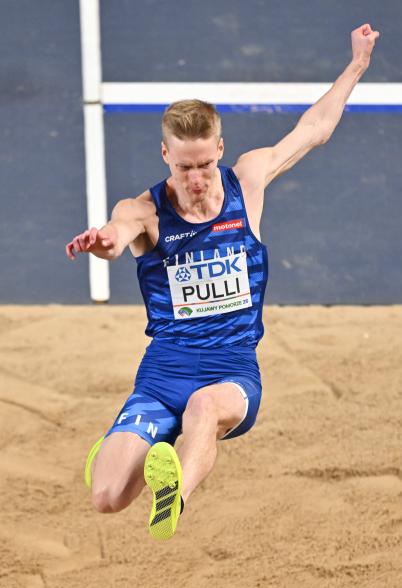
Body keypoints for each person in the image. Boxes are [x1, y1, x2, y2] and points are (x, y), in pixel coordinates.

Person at [66, 24, 380, 540]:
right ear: (166, 155)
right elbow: (116, 237)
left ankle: (173, 497)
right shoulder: (144, 210)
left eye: (206, 164)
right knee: (106, 498)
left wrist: (357, 66)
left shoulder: (248, 182)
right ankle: (130, 447)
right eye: (185, 166)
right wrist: (100, 242)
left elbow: (314, 129)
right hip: (162, 372)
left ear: (220, 151)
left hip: (230, 370)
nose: (196, 179)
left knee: (204, 408)